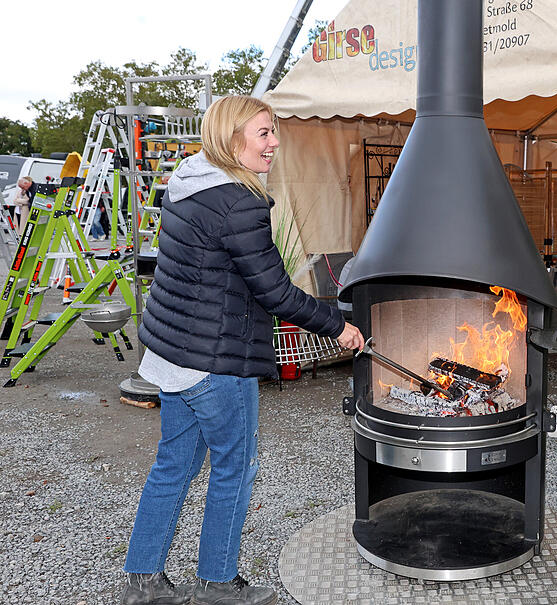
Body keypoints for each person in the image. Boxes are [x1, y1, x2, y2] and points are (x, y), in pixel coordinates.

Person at [121, 95, 365, 605]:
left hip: (172, 355)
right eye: (263, 134)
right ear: (232, 140)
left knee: (174, 464)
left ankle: (142, 581)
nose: (274, 143)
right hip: (213, 362)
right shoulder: (240, 203)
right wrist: (337, 326)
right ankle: (218, 583)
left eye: (274, 131)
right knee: (236, 465)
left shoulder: (189, 181)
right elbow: (274, 291)